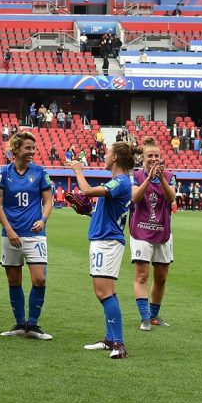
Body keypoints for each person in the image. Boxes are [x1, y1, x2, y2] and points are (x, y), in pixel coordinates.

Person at [70, 142, 134, 360]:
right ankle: (110, 339)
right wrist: (86, 211)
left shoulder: (121, 182)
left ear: (115, 157)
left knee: (103, 292)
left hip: (107, 241)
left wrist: (78, 170)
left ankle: (119, 344)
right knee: (109, 291)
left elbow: (86, 190)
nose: (105, 157)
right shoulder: (119, 182)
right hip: (104, 239)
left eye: (107, 153)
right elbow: (105, 212)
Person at [0, 131, 55, 340]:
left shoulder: (39, 172)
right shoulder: (3, 173)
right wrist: (9, 230)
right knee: (13, 281)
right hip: (10, 235)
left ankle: (34, 325)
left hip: (35, 235)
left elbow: (49, 201)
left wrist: (43, 219)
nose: (32, 152)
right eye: (28, 148)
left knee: (39, 279)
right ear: (16, 149)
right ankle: (20, 324)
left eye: (33, 148)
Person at [129, 137, 175, 332]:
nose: (154, 158)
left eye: (157, 155)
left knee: (162, 277)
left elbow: (171, 197)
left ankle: (154, 315)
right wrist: (149, 178)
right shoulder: (136, 176)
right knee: (142, 276)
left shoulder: (170, 176)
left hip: (163, 231)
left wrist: (161, 178)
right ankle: (144, 317)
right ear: (143, 158)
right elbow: (134, 197)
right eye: (150, 156)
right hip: (140, 231)